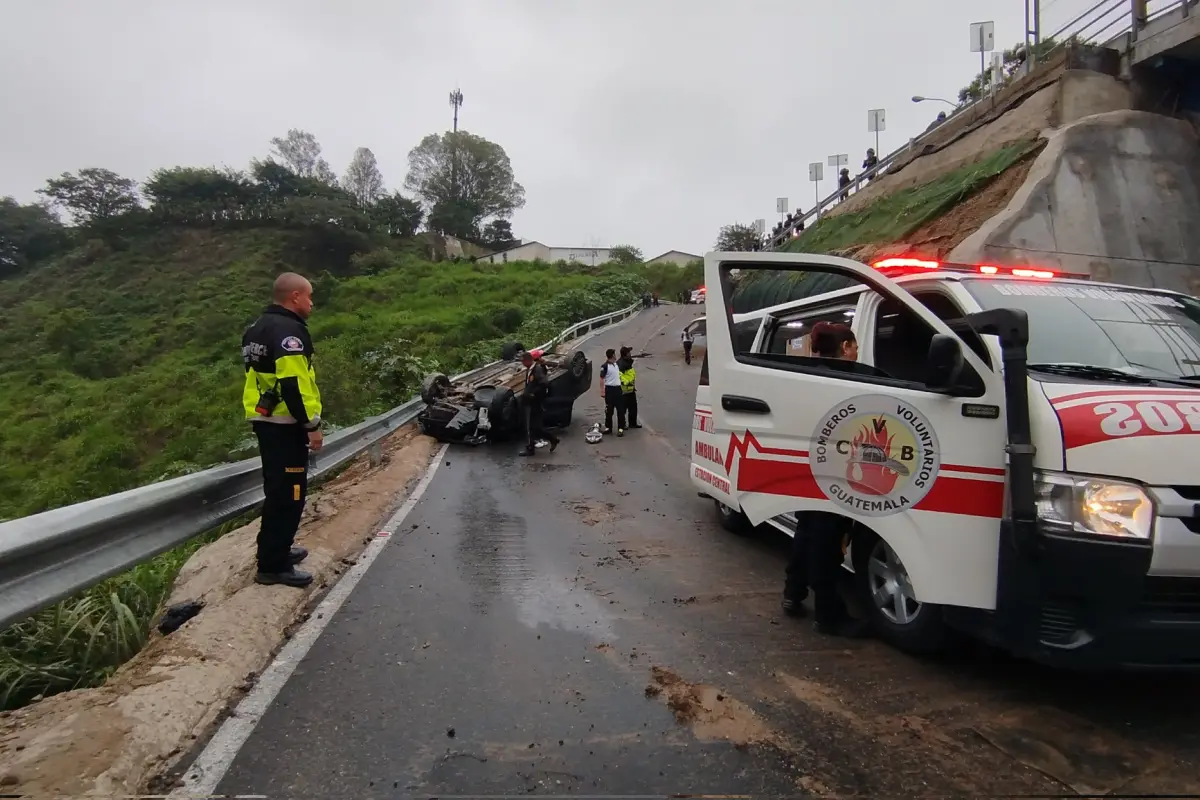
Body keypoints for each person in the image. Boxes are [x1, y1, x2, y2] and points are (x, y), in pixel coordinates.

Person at [783, 321, 866, 637]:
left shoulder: (803, 375)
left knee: (806, 531)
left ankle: (793, 592)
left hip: (806, 466)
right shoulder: (847, 379)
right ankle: (828, 613)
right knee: (827, 542)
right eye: (855, 346)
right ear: (845, 347)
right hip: (835, 471)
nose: (857, 352)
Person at [241, 272, 324, 588]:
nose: (311, 303)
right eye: (309, 297)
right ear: (295, 297)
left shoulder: (254, 329)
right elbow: (293, 384)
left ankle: (279, 550)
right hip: (286, 424)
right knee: (289, 494)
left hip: (266, 421)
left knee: (280, 491)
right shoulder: (290, 332)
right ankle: (272, 565)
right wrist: (312, 426)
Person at [519, 349, 559, 456]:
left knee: (535, 427)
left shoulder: (537, 370)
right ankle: (531, 448)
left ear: (528, 361)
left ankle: (552, 439)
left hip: (536, 402)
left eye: (523, 361)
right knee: (532, 427)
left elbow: (544, 383)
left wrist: (534, 393)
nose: (522, 363)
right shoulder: (529, 370)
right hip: (530, 402)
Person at [599, 348, 625, 436]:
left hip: (618, 389)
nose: (616, 355)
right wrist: (602, 391)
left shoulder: (616, 365)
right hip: (610, 390)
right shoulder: (605, 366)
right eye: (614, 354)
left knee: (620, 410)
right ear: (612, 355)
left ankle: (621, 428)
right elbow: (601, 378)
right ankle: (608, 427)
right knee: (609, 410)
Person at [618, 346, 641, 429]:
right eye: (629, 353)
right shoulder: (621, 364)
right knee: (623, 409)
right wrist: (626, 382)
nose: (630, 354)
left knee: (633, 408)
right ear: (625, 354)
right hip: (624, 391)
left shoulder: (628, 362)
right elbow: (620, 376)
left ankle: (632, 423)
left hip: (630, 389)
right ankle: (622, 424)